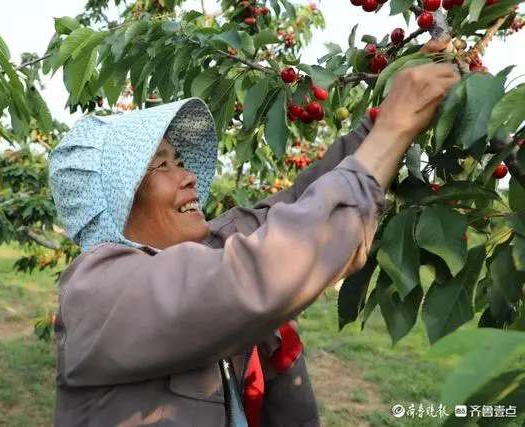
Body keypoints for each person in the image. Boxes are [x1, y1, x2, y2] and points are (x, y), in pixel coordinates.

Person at [48, 62, 460, 427]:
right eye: (161, 164)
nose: (189, 176)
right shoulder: (97, 292)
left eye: (180, 160)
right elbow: (256, 276)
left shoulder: (197, 255)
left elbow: (294, 204)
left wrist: (381, 121)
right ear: (117, 200)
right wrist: (394, 130)